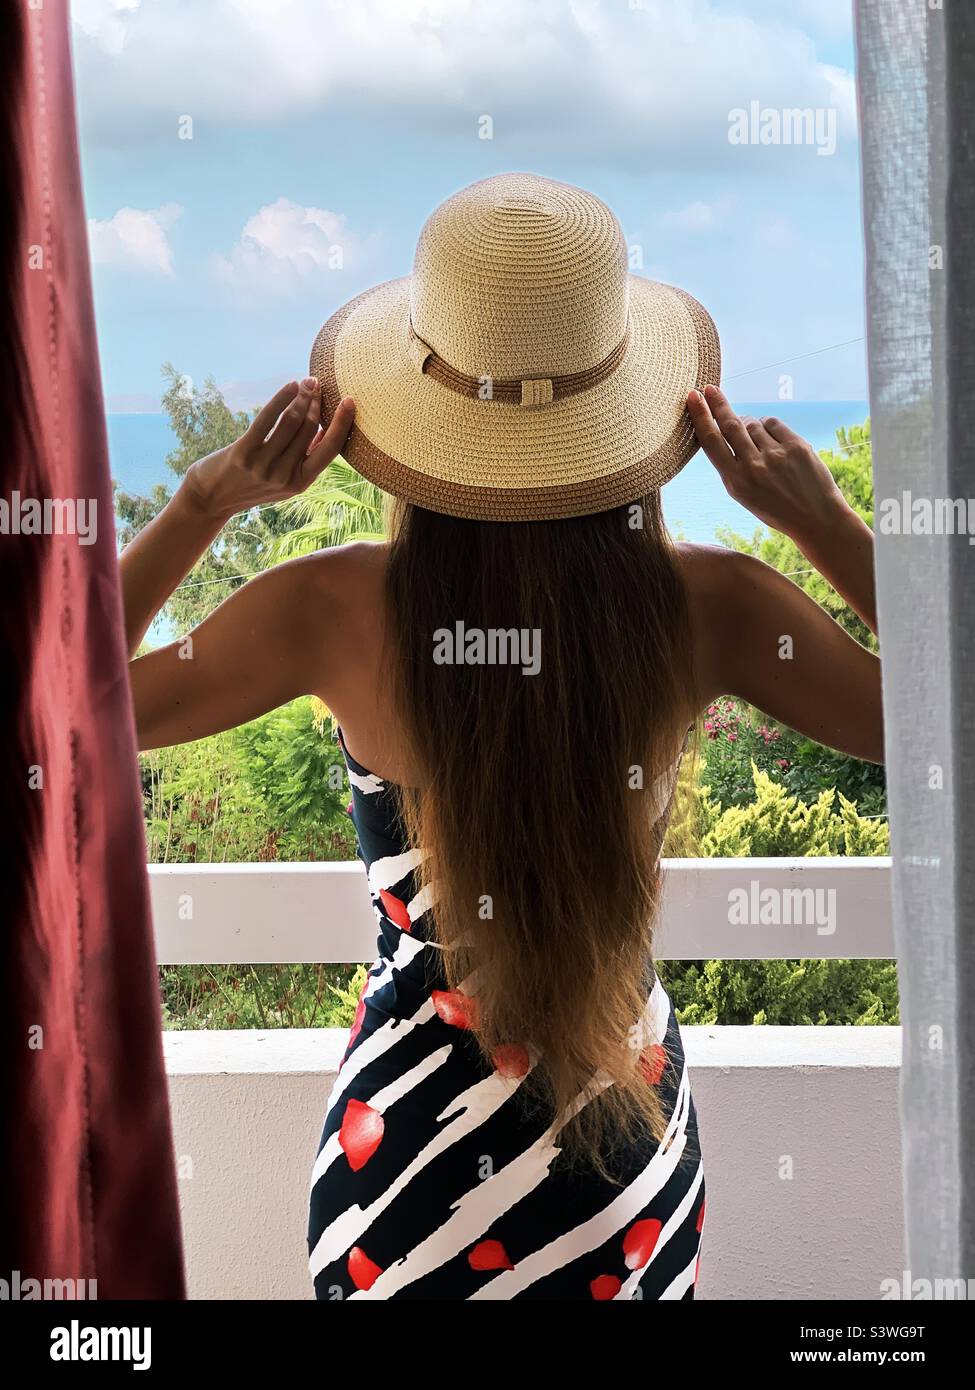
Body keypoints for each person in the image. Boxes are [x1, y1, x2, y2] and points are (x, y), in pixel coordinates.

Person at [123, 174, 881, 1300]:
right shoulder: (707, 606)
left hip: (407, 1162)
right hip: (621, 1148)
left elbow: (63, 707)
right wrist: (821, 520)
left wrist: (202, 502)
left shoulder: (328, 610)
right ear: (626, 403)